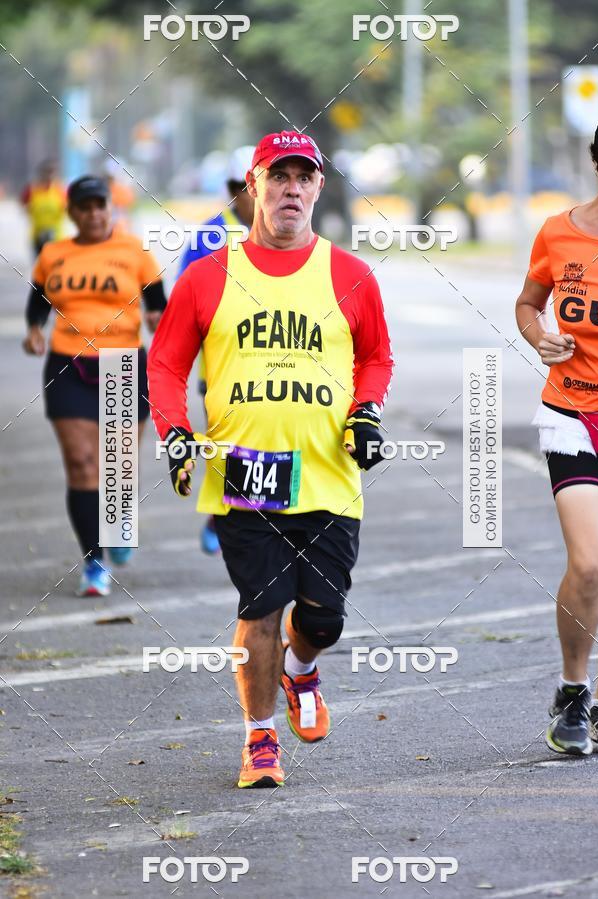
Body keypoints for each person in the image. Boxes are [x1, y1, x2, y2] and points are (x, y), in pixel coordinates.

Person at [148, 130, 393, 788]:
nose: (290, 188)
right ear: (252, 186)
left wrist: (366, 410)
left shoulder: (351, 275)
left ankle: (302, 667)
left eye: (302, 177)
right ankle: (259, 739)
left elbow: (375, 356)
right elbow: (167, 364)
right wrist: (174, 431)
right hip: (245, 472)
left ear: (317, 186)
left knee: (322, 617)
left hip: (330, 475)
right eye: (276, 176)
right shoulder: (208, 276)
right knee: (261, 607)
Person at [23, 175, 167, 597]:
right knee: (83, 463)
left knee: (117, 465)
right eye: (84, 207)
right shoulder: (54, 254)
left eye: (99, 205)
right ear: (71, 213)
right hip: (68, 363)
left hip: (122, 363)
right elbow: (38, 305)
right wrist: (34, 330)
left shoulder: (134, 252)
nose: (93, 214)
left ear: (111, 207)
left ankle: (119, 523)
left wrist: (161, 323)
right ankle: (93, 562)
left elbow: (159, 306)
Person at [516, 120, 598, 756]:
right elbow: (528, 301)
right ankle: (574, 691)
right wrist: (536, 334)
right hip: (572, 408)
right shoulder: (558, 230)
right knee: (590, 564)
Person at [178, 146, 255, 555]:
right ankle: (221, 515)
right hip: (222, 366)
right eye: (249, 187)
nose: (258, 195)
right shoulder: (209, 236)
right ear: (232, 190)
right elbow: (186, 302)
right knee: (228, 444)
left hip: (282, 361)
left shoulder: (286, 230)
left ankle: (257, 518)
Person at [20, 160, 66, 256]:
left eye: (52, 172)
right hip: (37, 236)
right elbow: (23, 204)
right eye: (47, 171)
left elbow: (68, 208)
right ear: (41, 173)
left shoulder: (60, 189)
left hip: (57, 237)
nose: (50, 175)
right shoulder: (32, 189)